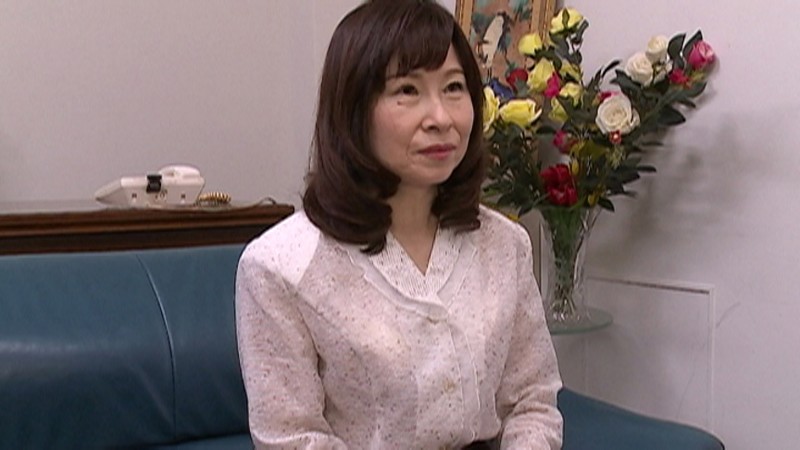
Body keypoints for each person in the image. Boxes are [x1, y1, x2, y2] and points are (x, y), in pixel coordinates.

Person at [235, 0, 563, 448]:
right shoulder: (279, 267)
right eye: (407, 90)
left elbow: (532, 402)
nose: (441, 118)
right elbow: (292, 438)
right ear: (353, 109)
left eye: (454, 87)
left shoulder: (505, 244)